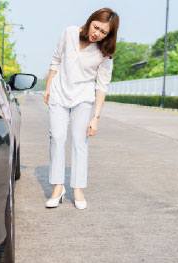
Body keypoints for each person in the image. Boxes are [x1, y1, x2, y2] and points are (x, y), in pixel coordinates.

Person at [44, 8, 119, 209]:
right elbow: (56, 59)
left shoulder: (104, 53)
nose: (97, 34)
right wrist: (48, 87)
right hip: (59, 94)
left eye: (104, 32)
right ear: (90, 21)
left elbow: (102, 86)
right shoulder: (69, 32)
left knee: (79, 143)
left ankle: (78, 189)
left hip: (83, 99)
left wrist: (96, 117)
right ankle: (58, 188)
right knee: (57, 139)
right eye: (96, 27)